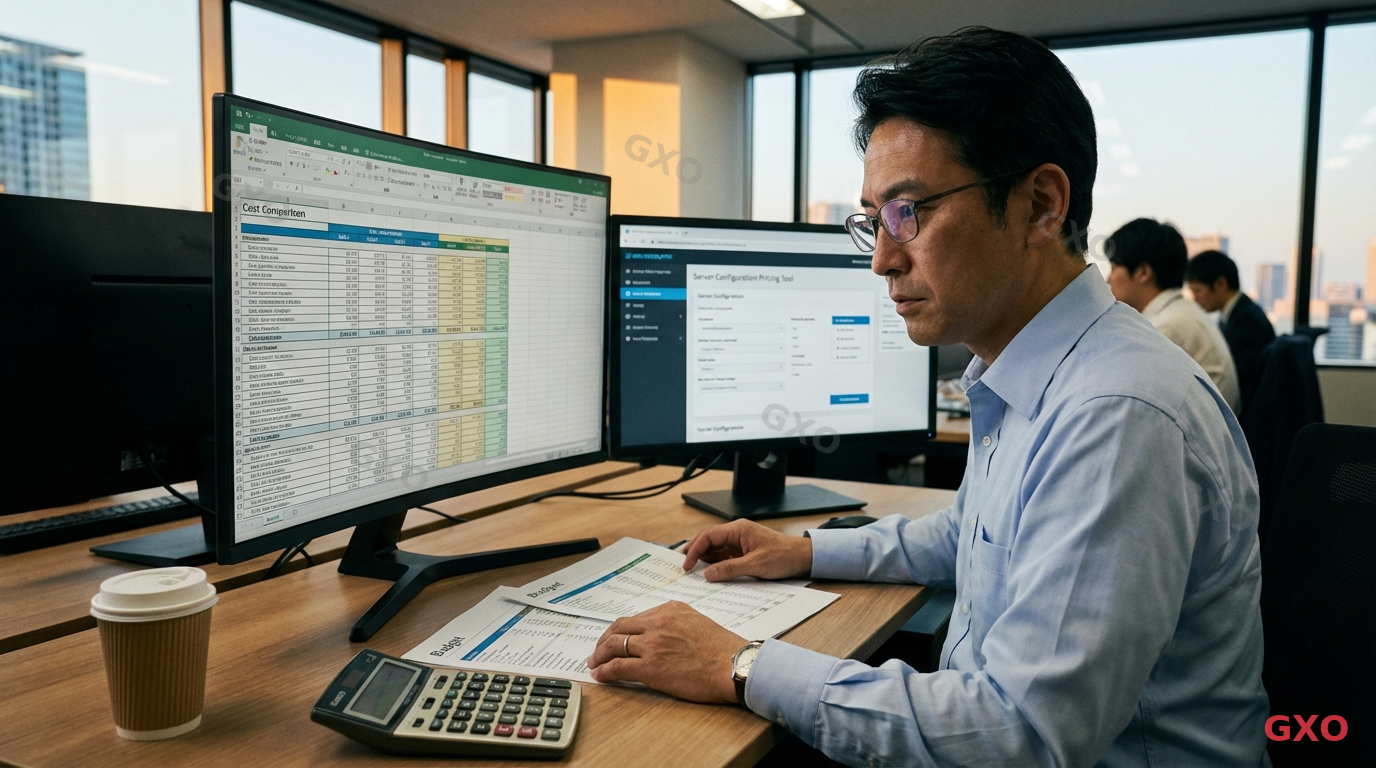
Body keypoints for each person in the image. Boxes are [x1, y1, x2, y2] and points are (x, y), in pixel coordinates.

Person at [585, 26, 1269, 767]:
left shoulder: (1117, 415)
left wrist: (740, 663)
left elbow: (1022, 734)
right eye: (875, 221)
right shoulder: (1033, 372)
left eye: (910, 212)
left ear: (1041, 205)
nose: (882, 258)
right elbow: (968, 534)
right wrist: (803, 549)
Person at [1105, 219, 1242, 413]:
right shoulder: (1181, 313)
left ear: (1143, 272)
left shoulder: (1165, 328)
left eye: (1113, 267)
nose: (1108, 279)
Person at [1186, 249, 1276, 412]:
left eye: (1198, 291)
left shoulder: (1248, 322)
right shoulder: (1236, 314)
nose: (1194, 298)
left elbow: (1238, 380)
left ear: (1220, 284)